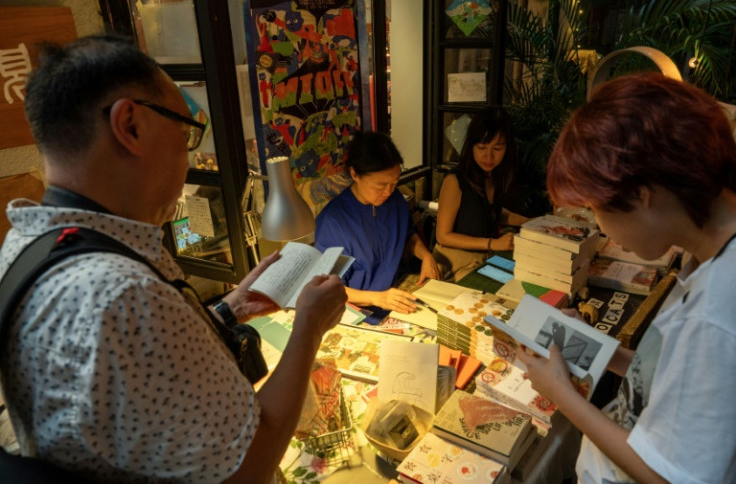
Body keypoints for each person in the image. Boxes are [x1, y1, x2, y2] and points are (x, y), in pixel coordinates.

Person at [0, 35, 347, 483]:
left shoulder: (29, 243)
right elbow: (249, 469)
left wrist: (229, 310)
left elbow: (132, 393)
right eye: (185, 135)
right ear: (131, 125)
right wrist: (310, 326)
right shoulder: (123, 294)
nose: (188, 160)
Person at [518, 72, 736, 483]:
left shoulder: (717, 306)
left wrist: (561, 395)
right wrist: (606, 353)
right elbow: (679, 378)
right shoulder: (712, 257)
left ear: (640, 195)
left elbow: (671, 476)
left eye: (594, 210)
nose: (599, 228)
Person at [314, 132, 440, 316]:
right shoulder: (333, 222)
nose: (388, 191)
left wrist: (426, 255)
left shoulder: (395, 201)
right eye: (380, 185)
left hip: (397, 294)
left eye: (394, 182)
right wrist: (377, 298)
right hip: (359, 310)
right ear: (354, 174)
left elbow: (406, 237)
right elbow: (329, 289)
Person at [433, 106, 529, 282]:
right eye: (482, 147)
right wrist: (492, 243)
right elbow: (443, 236)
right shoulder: (455, 182)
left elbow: (491, 212)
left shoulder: (494, 177)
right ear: (471, 146)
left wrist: (528, 223)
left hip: (483, 262)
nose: (489, 156)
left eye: (497, 148)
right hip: (454, 267)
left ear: (507, 148)